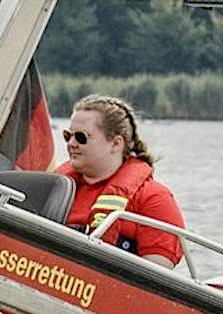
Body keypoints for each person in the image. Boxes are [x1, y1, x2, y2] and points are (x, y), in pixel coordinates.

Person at [58, 95, 185, 267]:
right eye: (68, 136)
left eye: (81, 137)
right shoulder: (56, 188)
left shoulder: (154, 200)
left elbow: (156, 275)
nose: (71, 144)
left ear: (116, 143)